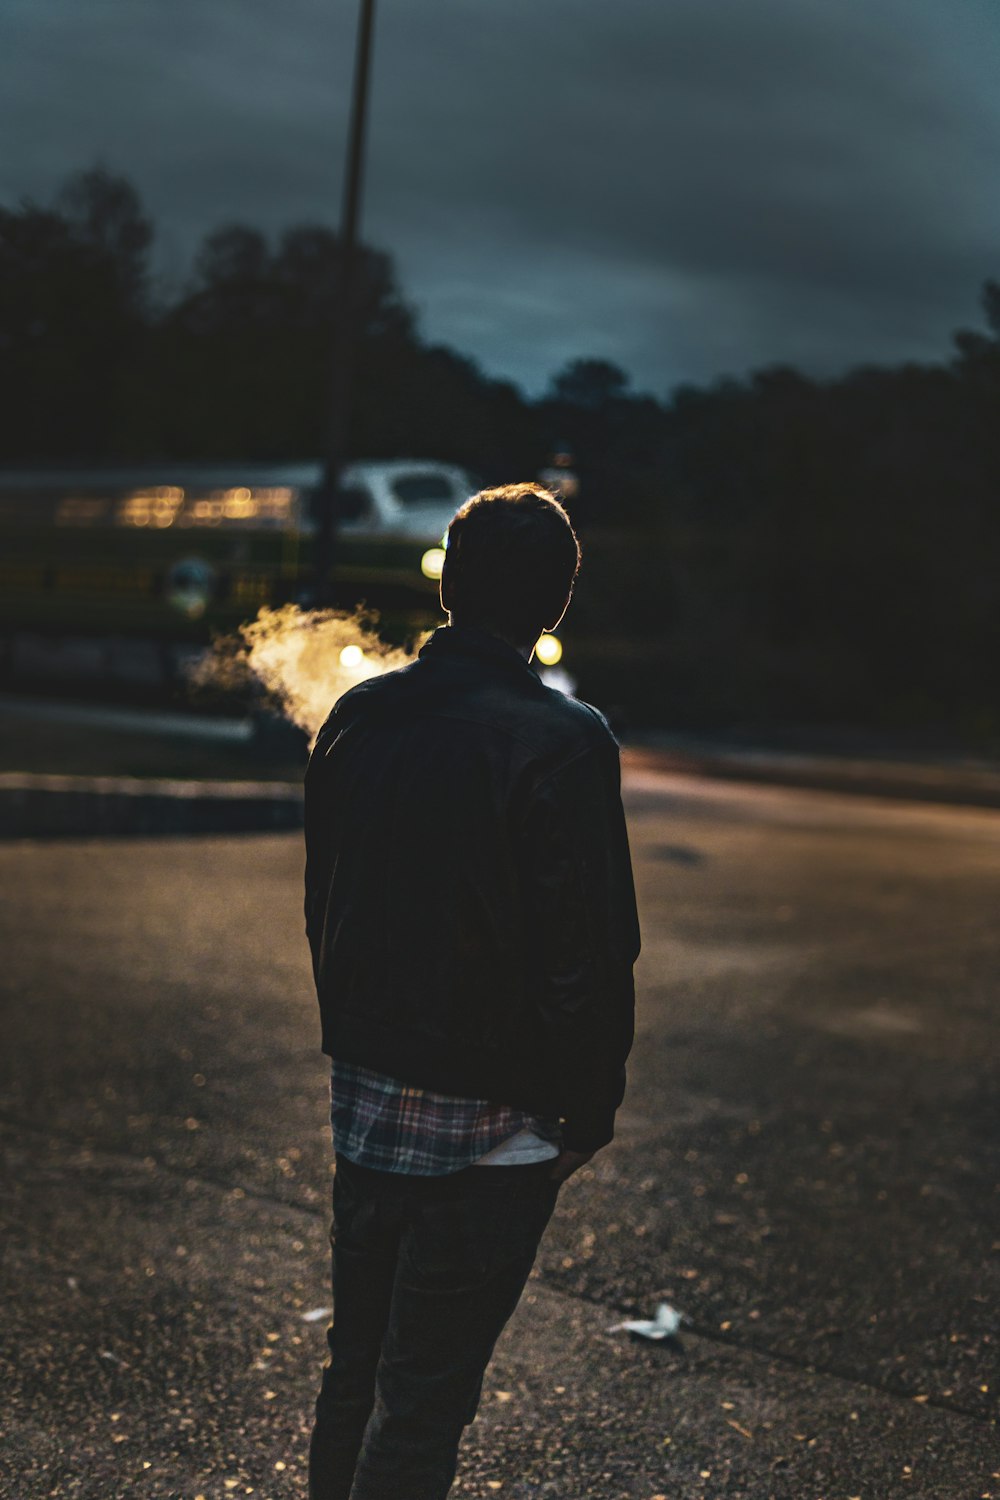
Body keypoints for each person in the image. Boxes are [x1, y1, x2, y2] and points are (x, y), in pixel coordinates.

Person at [304, 482, 640, 1500]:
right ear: (557, 602)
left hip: (365, 1105)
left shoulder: (358, 715)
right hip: (493, 1128)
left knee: (353, 1379)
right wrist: (591, 1109)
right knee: (423, 1404)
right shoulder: (565, 739)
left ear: (447, 580)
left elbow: (326, 902)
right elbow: (589, 949)